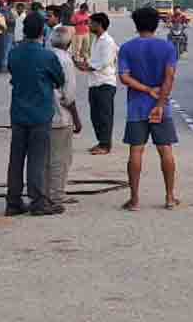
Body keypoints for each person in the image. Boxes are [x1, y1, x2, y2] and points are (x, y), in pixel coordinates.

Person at [117, 7, 180, 211]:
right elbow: (169, 77)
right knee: (165, 150)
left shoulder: (127, 48)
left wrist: (146, 89)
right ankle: (170, 197)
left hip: (136, 106)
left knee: (136, 150)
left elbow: (124, 77)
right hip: (161, 106)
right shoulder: (167, 47)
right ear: (156, 24)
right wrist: (160, 103)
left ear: (136, 25)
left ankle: (134, 200)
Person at [6, 14, 67, 216]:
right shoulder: (47, 56)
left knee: (16, 158)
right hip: (40, 113)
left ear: (24, 31)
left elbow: (13, 75)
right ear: (42, 32)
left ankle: (13, 202)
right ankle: (38, 202)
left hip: (18, 113)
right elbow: (59, 80)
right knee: (37, 159)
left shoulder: (14, 53)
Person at [47, 26, 83, 206]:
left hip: (42, 115)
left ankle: (43, 192)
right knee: (60, 159)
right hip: (60, 116)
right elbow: (68, 96)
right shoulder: (66, 61)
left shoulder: (45, 56)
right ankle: (56, 196)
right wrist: (77, 119)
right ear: (69, 43)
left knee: (45, 157)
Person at [78, 12, 118, 155]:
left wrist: (86, 66)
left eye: (91, 23)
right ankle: (101, 142)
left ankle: (105, 145)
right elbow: (94, 61)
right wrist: (83, 64)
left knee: (104, 116)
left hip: (105, 83)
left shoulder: (107, 41)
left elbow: (103, 62)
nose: (88, 25)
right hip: (94, 82)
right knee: (95, 116)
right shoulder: (96, 39)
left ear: (99, 24)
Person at [0, 1, 15, 73]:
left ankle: (4, 66)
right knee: (6, 50)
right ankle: (4, 66)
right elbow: (7, 21)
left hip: (7, 33)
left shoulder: (4, 12)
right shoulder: (3, 12)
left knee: (6, 50)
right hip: (5, 33)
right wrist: (5, 27)